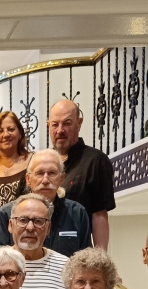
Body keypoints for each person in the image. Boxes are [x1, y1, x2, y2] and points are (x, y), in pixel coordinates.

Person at [0, 149, 92, 258]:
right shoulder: (7, 214)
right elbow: (0, 260)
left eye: (52, 173)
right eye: (39, 173)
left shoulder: (77, 213)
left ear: (62, 178)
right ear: (28, 179)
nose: (45, 180)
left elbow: (85, 260)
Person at [48, 99, 115, 249]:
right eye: (55, 124)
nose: (60, 130)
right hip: (39, 255)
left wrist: (100, 257)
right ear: (48, 125)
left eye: (67, 123)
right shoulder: (40, 162)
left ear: (79, 123)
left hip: (78, 253)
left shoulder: (96, 160)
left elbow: (99, 214)